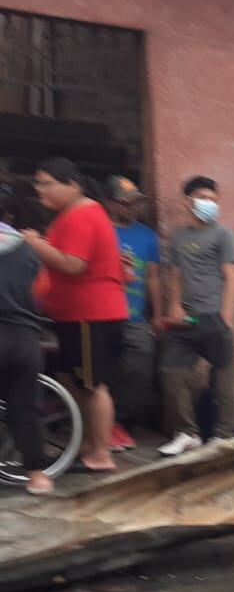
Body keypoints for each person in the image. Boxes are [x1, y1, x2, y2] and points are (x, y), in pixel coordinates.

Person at [22, 158, 127, 473]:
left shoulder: (82, 216)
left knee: (94, 385)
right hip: (77, 313)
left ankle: (102, 453)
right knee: (78, 382)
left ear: (72, 184)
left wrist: (35, 243)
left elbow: (72, 264)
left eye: (46, 183)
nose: (40, 190)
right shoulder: (73, 214)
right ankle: (87, 443)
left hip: (90, 313)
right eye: (38, 184)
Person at [158, 176, 234, 457]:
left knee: (223, 377)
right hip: (186, 319)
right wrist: (174, 307)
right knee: (173, 372)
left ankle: (223, 436)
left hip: (214, 315)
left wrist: (226, 316)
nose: (210, 204)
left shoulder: (223, 235)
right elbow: (176, 274)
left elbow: (232, 276)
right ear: (188, 201)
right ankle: (187, 433)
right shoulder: (179, 237)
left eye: (214, 200)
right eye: (204, 198)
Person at [0, 188, 51, 494]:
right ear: (9, 215)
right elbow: (42, 292)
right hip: (23, 337)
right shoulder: (29, 250)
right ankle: (37, 476)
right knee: (25, 407)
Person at [105, 175, 162, 441]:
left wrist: (158, 315)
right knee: (105, 371)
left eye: (136, 203)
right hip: (102, 313)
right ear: (111, 204)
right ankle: (106, 426)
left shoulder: (147, 236)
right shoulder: (101, 229)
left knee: (139, 369)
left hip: (135, 317)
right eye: (126, 203)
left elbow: (152, 277)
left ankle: (121, 420)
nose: (133, 208)